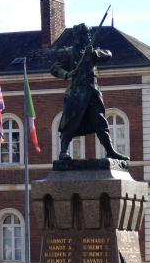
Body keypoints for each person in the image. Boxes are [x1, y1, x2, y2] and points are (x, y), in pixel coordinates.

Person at [50, 23, 128, 161]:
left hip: (92, 92)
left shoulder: (91, 51)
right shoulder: (68, 52)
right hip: (76, 93)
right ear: (79, 36)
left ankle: (110, 151)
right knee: (70, 122)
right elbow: (55, 68)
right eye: (86, 34)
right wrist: (67, 74)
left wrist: (94, 53)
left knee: (100, 122)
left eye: (89, 34)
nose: (88, 36)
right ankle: (63, 152)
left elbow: (108, 54)